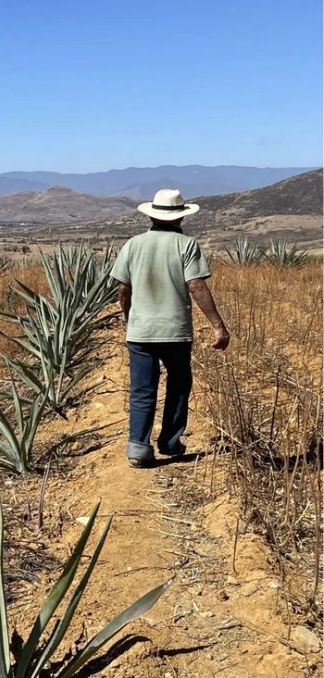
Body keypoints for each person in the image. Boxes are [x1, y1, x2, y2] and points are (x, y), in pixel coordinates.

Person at [109, 189, 230, 468]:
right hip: (174, 331)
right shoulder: (186, 245)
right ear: (180, 217)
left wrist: (129, 317)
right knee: (178, 384)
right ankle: (170, 442)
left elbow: (123, 288)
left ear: (152, 215)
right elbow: (196, 286)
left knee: (142, 389)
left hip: (140, 332)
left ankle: (138, 447)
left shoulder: (133, 245)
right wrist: (218, 326)